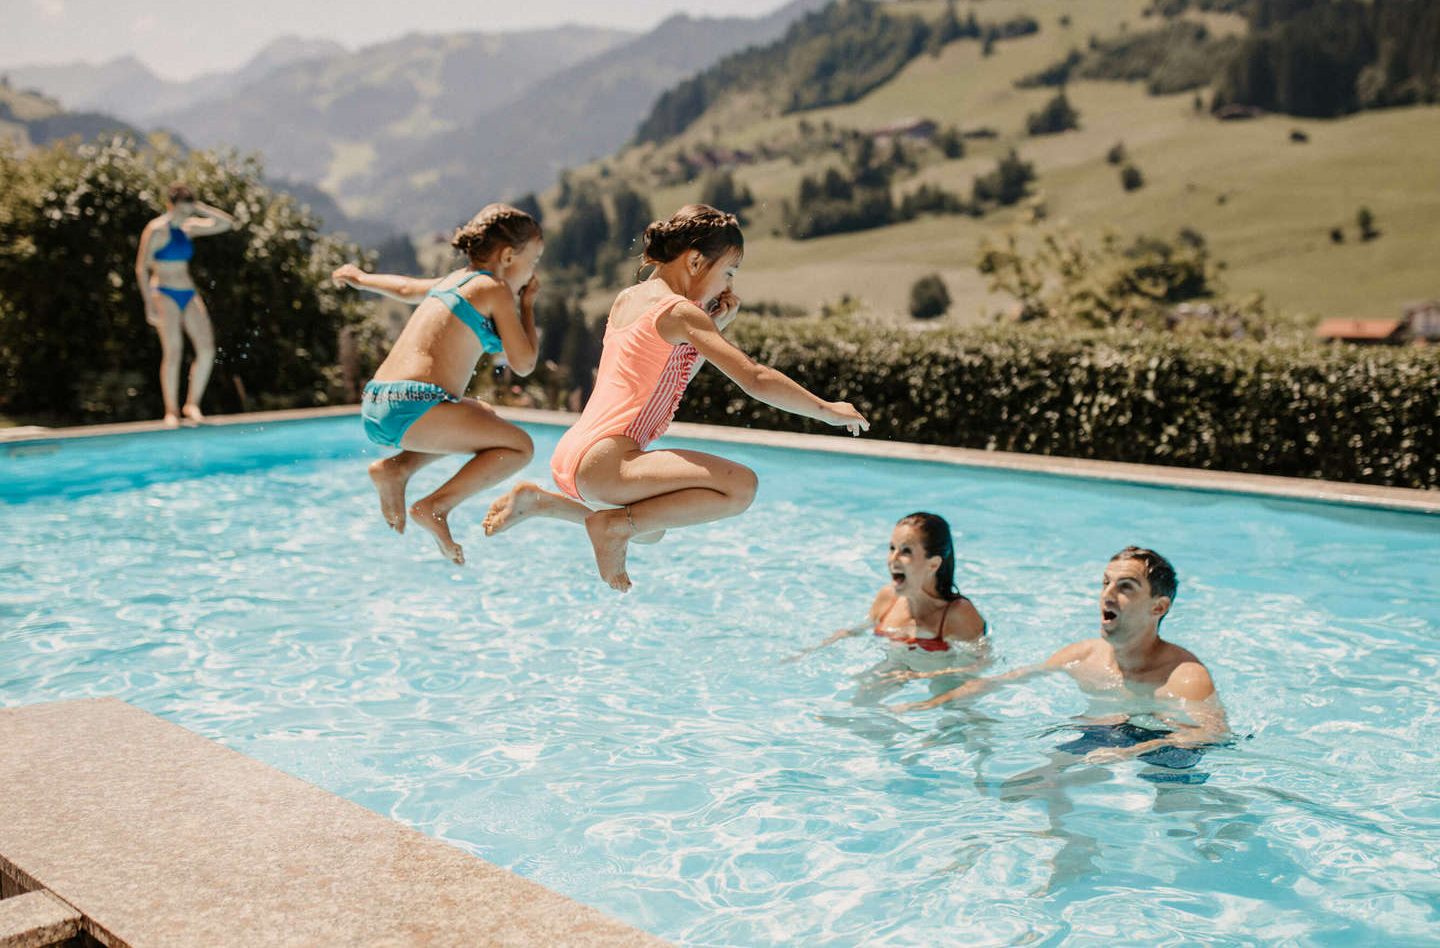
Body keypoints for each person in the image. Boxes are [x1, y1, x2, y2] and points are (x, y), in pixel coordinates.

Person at [483, 203, 869, 592]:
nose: (728, 287)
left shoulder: (629, 299)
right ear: (696, 260)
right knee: (740, 487)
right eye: (728, 272)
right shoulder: (681, 312)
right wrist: (826, 410)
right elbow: (753, 377)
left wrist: (713, 327)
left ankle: (541, 502)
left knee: (652, 527)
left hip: (577, 456)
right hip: (606, 460)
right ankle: (611, 526)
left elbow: (667, 375)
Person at [331, 203, 542, 565]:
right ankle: (436, 506)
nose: (532, 274)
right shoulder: (494, 289)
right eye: (533, 262)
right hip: (416, 406)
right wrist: (527, 306)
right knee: (520, 448)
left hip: (380, 400)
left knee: (485, 415)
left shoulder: (452, 281)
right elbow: (524, 363)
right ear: (508, 256)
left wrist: (361, 278)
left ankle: (397, 468)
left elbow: (404, 286)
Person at [890, 546, 1226, 764]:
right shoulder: (1083, 656)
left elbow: (1212, 735)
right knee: (1033, 780)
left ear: (1159, 606)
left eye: (1125, 587)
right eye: (1105, 583)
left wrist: (1132, 751)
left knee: (1175, 804)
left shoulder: (1184, 676)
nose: (1107, 595)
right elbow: (1006, 680)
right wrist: (931, 702)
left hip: (1166, 748)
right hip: (1106, 736)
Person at [790, 513, 986, 661]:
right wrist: (805, 654)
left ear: (933, 564)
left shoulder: (958, 613)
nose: (892, 559)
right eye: (892, 548)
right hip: (894, 670)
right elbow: (857, 630)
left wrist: (920, 678)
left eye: (906, 551)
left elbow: (979, 666)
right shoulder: (887, 597)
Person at [135, 183, 239, 427]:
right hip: (163, 291)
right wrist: (148, 303)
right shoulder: (156, 229)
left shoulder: (188, 226)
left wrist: (199, 208)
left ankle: (192, 404)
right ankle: (171, 410)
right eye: (180, 210)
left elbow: (227, 223)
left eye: (187, 210)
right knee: (173, 350)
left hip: (188, 291)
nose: (184, 215)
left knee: (207, 349)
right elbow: (141, 268)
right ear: (170, 205)